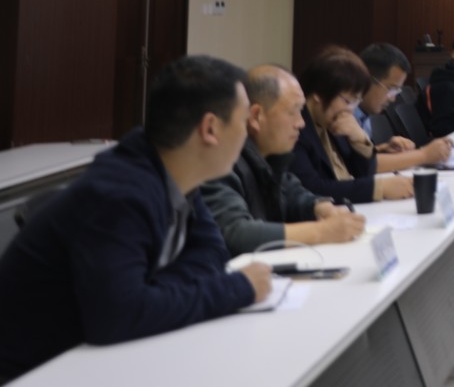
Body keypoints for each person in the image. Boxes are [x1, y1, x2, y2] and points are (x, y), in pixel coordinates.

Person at [0, 56, 270, 380]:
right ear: (210, 128)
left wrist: (152, 293)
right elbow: (118, 317)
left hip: (101, 357)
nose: (248, 131)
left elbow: (212, 254)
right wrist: (238, 288)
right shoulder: (118, 193)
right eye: (243, 119)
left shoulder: (177, 172)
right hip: (37, 372)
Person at [200, 65, 366, 256]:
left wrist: (320, 207)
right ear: (256, 116)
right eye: (293, 112)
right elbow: (235, 233)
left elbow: (292, 192)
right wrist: (323, 231)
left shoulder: (267, 154)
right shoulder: (221, 160)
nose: (301, 123)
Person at [288, 47, 413, 204]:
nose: (351, 110)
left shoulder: (333, 120)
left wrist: (360, 140)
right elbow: (312, 189)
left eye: (356, 102)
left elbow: (363, 173)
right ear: (319, 94)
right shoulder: (296, 128)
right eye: (348, 101)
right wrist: (379, 188)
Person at [335, 43, 453, 171]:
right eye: (391, 89)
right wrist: (423, 155)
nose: (393, 98)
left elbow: (355, 159)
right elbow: (355, 168)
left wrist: (380, 149)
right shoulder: (341, 114)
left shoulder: (364, 113)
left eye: (397, 91)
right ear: (367, 79)